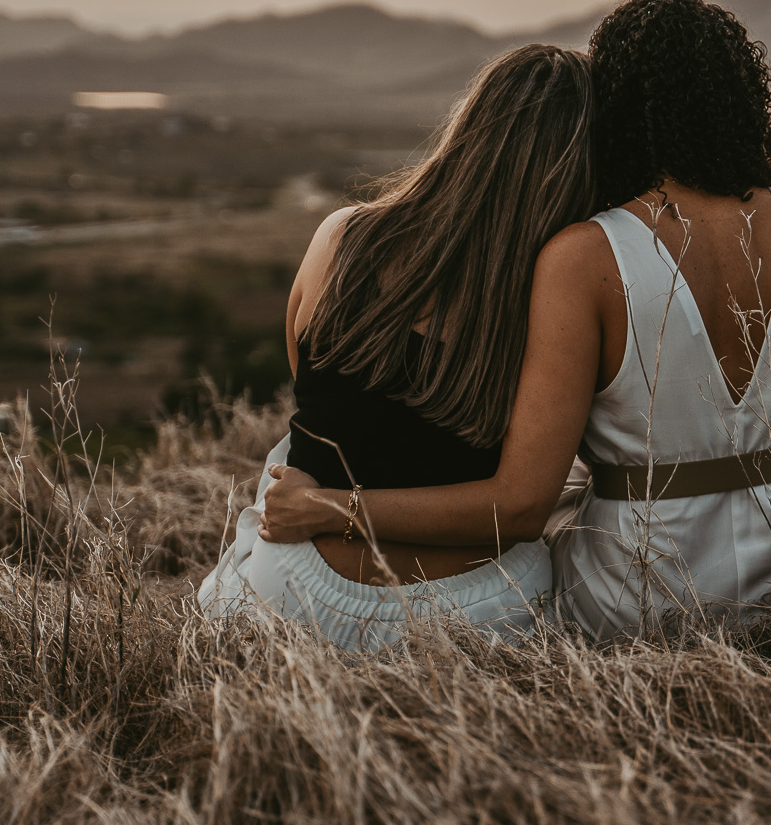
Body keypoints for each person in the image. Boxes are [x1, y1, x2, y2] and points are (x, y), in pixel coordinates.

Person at [256, 0, 771, 641]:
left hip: (638, 597)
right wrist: (747, 463)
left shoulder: (587, 254)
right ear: (744, 96)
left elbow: (521, 496)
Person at [197, 42, 596, 649]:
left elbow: (313, 393)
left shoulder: (341, 238)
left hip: (297, 592)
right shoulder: (552, 302)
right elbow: (519, 511)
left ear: (468, 131)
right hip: (475, 613)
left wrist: (328, 506)